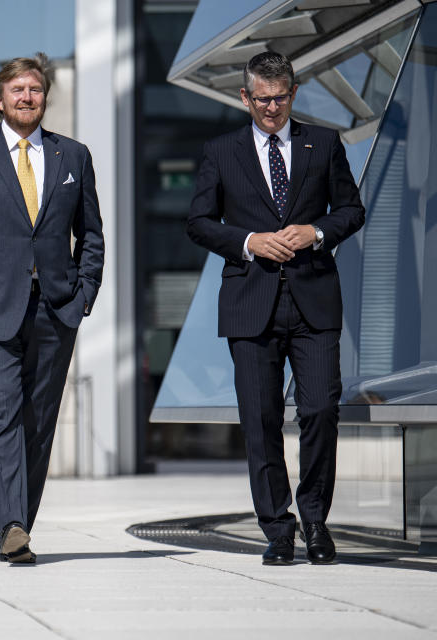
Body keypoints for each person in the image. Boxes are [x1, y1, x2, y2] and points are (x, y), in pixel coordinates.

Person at [187, 52, 365, 565]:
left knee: (320, 410)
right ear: (245, 97)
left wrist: (316, 231)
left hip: (314, 301)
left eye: (280, 97)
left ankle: (315, 521)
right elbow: (198, 222)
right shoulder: (221, 151)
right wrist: (249, 241)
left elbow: (351, 209)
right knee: (260, 420)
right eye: (261, 99)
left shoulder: (323, 143)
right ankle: (277, 528)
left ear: (293, 91)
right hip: (250, 303)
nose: (271, 107)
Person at [0, 54, 105, 564]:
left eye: (34, 89)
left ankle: (19, 522)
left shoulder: (74, 155)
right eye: (17, 89)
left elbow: (91, 234)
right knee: (3, 409)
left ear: (44, 96)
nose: (26, 97)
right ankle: (10, 524)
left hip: (57, 307)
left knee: (39, 420)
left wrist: (85, 292)